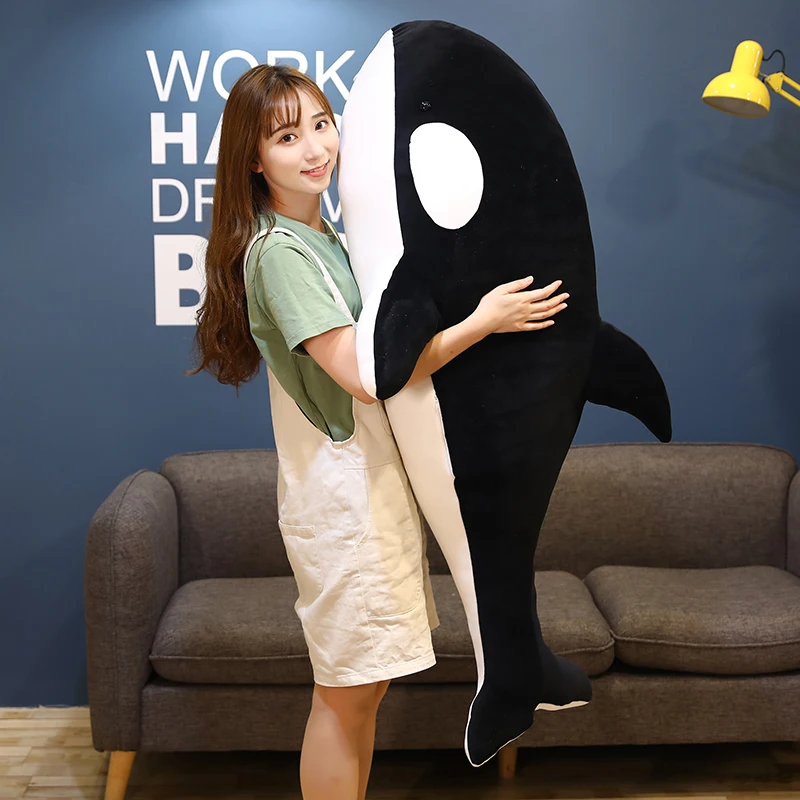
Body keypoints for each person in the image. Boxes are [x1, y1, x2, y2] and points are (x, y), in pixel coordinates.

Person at [188, 64, 569, 800]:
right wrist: (483, 323)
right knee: (345, 695)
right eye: (287, 137)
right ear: (253, 158)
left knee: (363, 690)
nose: (314, 149)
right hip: (343, 501)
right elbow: (366, 376)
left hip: (369, 491)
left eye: (321, 125)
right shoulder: (281, 254)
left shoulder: (320, 235)